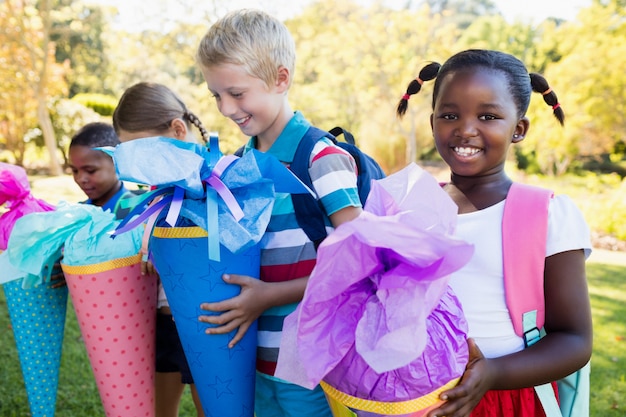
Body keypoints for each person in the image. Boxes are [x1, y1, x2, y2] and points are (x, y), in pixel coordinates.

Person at [396, 49, 593, 417]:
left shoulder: (548, 214)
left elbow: (575, 340)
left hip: (506, 397)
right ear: (433, 121)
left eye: (488, 116)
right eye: (450, 115)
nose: (466, 129)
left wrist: (493, 374)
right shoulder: (410, 207)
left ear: (518, 128)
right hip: (415, 399)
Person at [195, 9, 362, 417]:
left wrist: (269, 296)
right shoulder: (234, 166)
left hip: (313, 363)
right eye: (216, 95)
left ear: (280, 79)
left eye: (237, 93)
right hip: (254, 356)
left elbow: (359, 258)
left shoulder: (321, 157)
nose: (226, 108)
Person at [112, 81, 208, 417]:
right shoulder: (156, 189)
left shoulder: (214, 181)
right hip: (161, 320)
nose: (136, 165)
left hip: (204, 324)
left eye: (141, 151)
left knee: (211, 406)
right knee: (156, 409)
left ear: (178, 130)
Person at [68, 122, 141, 219]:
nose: (80, 179)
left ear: (118, 163)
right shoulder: (77, 212)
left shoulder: (138, 214)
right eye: (75, 171)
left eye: (90, 171)